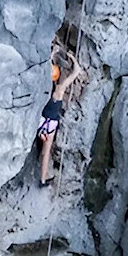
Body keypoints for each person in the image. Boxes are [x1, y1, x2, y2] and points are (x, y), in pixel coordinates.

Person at [37, 50, 82, 187]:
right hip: (50, 126)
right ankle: (42, 180)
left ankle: (43, 180)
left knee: (45, 154)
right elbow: (76, 72)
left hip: (40, 122)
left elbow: (47, 69)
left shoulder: (46, 92)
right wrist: (72, 58)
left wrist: (52, 55)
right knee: (46, 153)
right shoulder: (59, 91)